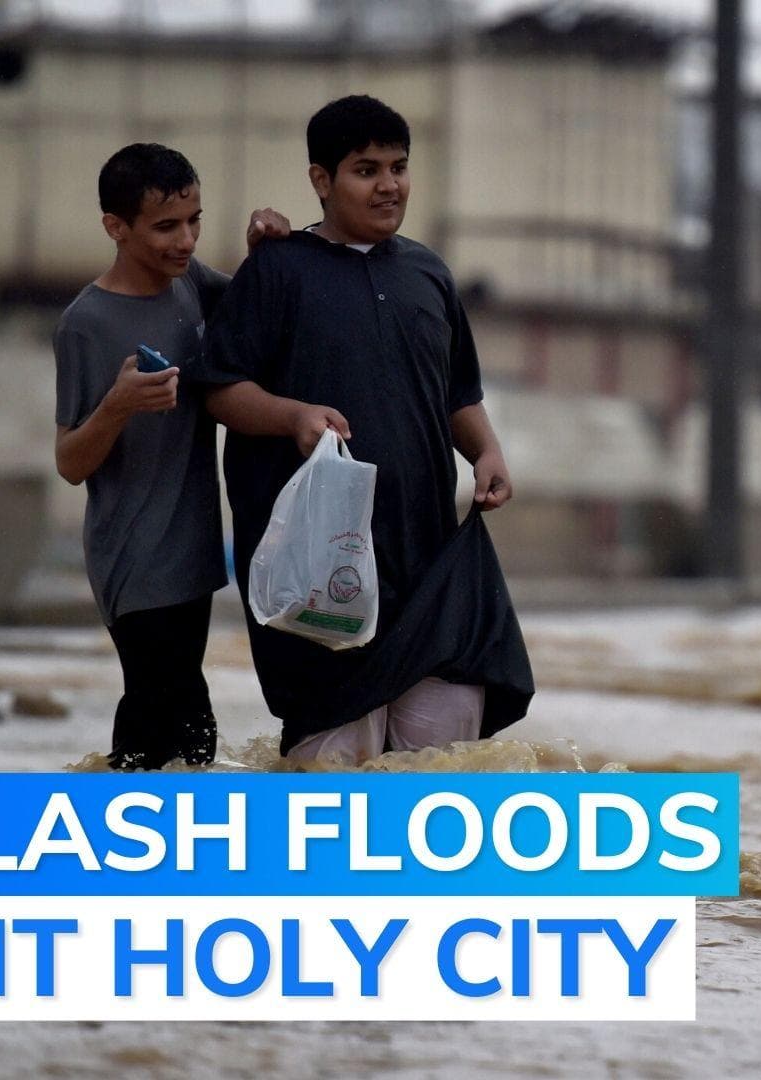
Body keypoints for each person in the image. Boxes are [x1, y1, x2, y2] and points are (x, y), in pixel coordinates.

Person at [197, 95, 535, 764]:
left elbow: (457, 393)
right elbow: (220, 389)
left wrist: (487, 451)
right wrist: (293, 416)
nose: (388, 185)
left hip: (428, 562)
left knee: (439, 779)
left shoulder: (428, 274)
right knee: (329, 785)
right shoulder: (277, 269)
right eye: (365, 169)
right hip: (322, 569)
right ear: (321, 181)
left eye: (399, 167)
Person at [53, 143, 291, 770]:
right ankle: (122, 850)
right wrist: (118, 404)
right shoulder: (86, 322)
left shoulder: (189, 284)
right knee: (176, 719)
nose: (185, 240)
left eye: (195, 222)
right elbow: (70, 463)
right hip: (131, 556)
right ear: (116, 227)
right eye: (165, 227)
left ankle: (132, 850)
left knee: (178, 728)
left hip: (192, 552)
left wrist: (266, 250)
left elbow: (253, 310)